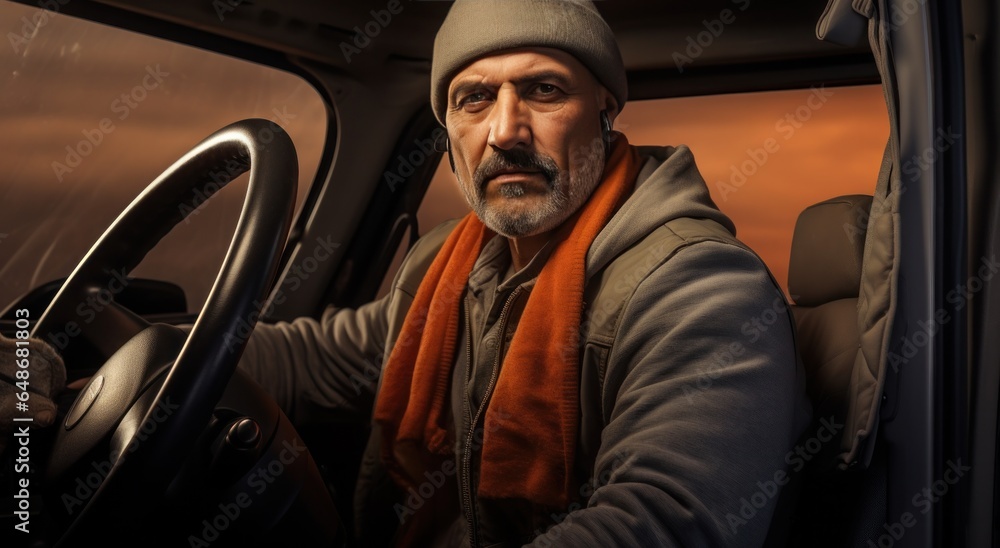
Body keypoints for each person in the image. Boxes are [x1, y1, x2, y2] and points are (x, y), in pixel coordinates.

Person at [2, 1, 810, 546]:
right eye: (473, 99)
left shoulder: (699, 287)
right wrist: (92, 360)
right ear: (449, 131)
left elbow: (665, 525)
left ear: (605, 110)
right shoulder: (450, 264)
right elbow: (309, 358)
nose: (505, 131)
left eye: (544, 90)